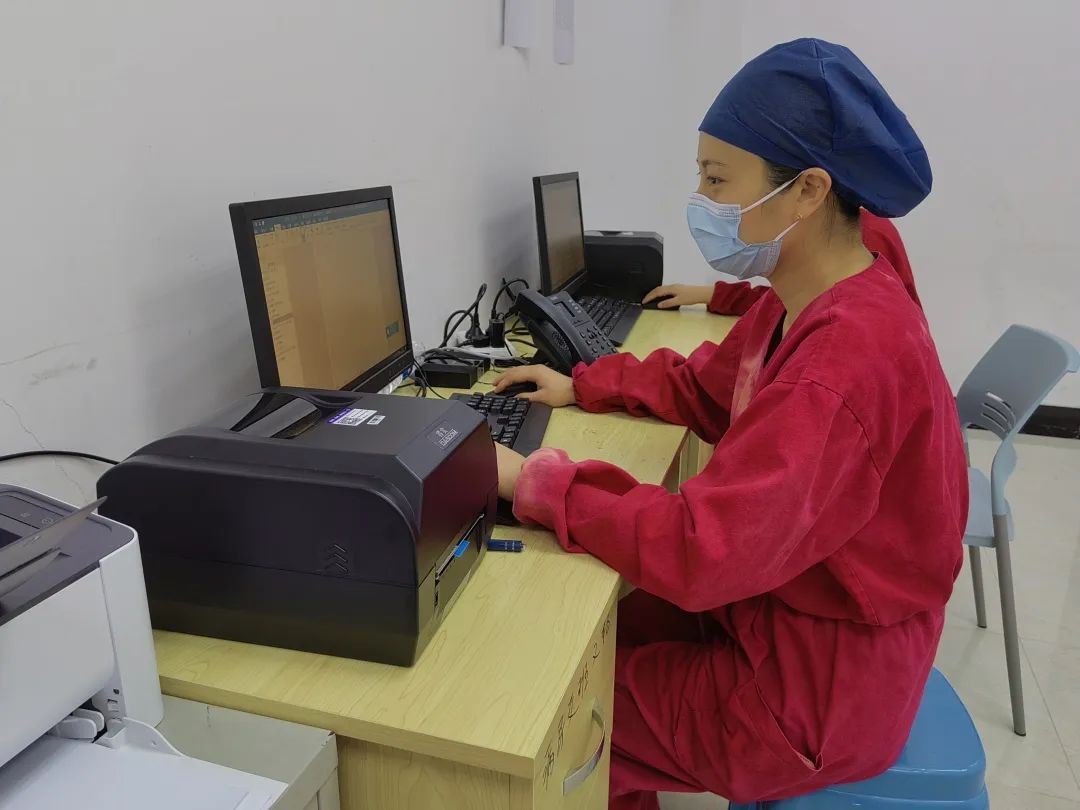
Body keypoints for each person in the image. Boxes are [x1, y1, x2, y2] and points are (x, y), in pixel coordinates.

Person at [491, 38, 967, 809]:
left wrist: (534, 482)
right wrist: (584, 383)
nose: (702, 201)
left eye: (717, 180)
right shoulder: (811, 296)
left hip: (814, 699)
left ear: (808, 191)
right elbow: (712, 388)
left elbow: (702, 551)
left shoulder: (842, 365)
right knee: (581, 629)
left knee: (554, 712)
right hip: (781, 617)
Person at [644, 209, 922, 314]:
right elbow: (787, 304)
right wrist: (711, 295)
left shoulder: (861, 239)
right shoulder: (845, 232)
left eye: (717, 180)